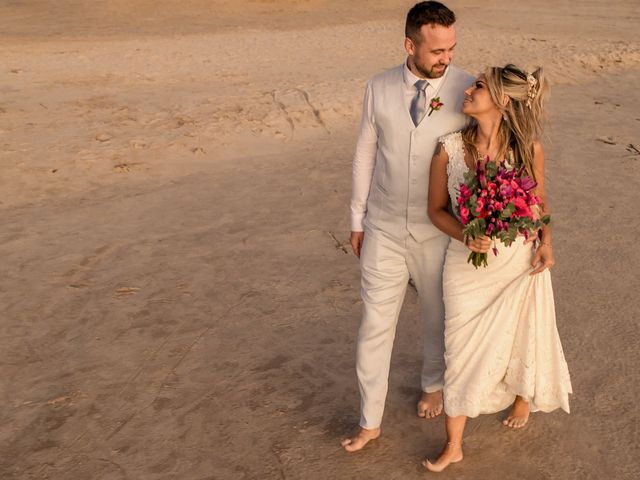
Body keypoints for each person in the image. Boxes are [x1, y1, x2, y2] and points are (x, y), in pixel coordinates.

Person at [423, 64, 572, 472]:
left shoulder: (529, 149)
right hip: (465, 265)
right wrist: (464, 235)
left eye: (479, 87)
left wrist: (546, 244)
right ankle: (454, 445)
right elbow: (436, 211)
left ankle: (523, 395)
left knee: (520, 330)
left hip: (515, 259)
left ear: (503, 101)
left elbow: (538, 203)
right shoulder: (448, 148)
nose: (468, 90)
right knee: (459, 346)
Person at [341, 1, 474, 452]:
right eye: (437, 50)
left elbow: (488, 148)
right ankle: (369, 420)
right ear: (409, 44)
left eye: (451, 48)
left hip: (439, 229)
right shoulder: (377, 87)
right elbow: (364, 153)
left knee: (438, 316)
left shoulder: (466, 87)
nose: (446, 58)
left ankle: (433, 384)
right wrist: (357, 219)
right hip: (381, 225)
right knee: (374, 324)